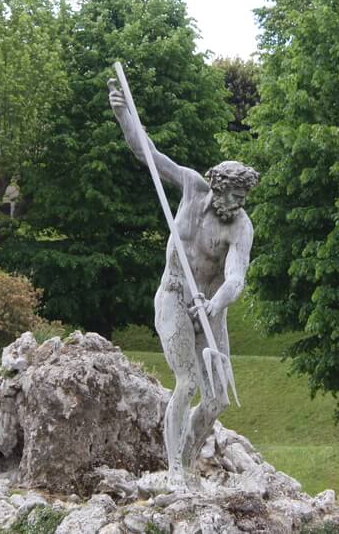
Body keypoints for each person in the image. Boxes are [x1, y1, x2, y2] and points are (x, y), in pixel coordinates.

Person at [108, 78, 259, 490]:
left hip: (211, 307)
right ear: (218, 187)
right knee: (188, 382)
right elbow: (149, 155)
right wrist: (124, 114)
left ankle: (188, 464)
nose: (237, 206)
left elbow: (236, 278)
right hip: (175, 294)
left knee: (217, 400)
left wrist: (214, 305)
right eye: (234, 197)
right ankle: (174, 470)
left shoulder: (240, 228)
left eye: (243, 199)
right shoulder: (192, 188)